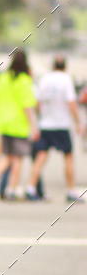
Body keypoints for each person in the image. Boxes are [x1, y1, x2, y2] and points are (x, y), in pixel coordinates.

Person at [25, 56, 85, 203]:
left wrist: (40, 117)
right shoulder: (66, 79)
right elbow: (71, 103)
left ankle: (30, 188)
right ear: (65, 66)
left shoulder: (45, 79)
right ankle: (70, 190)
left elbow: (37, 102)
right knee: (68, 157)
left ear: (53, 66)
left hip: (46, 125)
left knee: (41, 157)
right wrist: (78, 122)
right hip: (62, 125)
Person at [0, 50, 38, 201]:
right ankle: (11, 190)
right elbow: (27, 105)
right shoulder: (25, 80)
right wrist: (33, 126)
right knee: (17, 158)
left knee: (7, 155)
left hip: (3, 123)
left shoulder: (3, 78)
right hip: (19, 124)